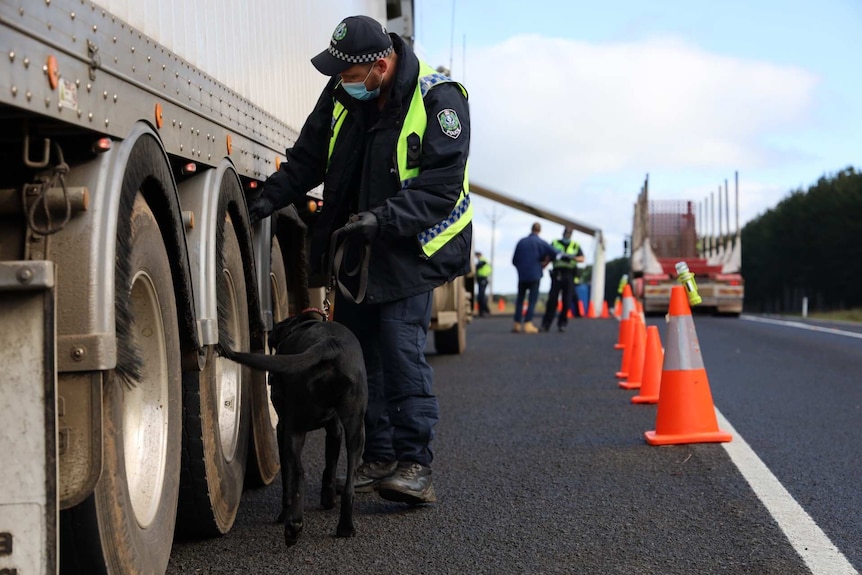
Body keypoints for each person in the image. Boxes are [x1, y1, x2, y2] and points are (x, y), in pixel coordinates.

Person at [246, 14, 472, 505]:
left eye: (350, 76)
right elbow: (308, 158)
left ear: (381, 65)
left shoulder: (439, 97)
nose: (344, 86)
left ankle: (415, 464)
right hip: (360, 246)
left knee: (399, 351)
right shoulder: (344, 92)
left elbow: (441, 185)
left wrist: (383, 219)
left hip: (412, 246)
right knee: (359, 355)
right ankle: (379, 456)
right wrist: (270, 196)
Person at [511, 222, 558, 333]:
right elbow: (554, 253)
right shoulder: (540, 242)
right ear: (539, 230)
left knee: (520, 299)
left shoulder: (521, 242)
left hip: (522, 275)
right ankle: (528, 323)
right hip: (535, 274)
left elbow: (514, 260)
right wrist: (545, 263)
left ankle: (516, 324)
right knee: (532, 300)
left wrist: (521, 268)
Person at [540, 227, 585, 332]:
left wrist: (571, 257)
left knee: (567, 301)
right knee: (552, 300)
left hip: (569, 274)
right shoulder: (555, 243)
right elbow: (548, 256)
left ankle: (562, 323)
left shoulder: (575, 245)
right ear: (563, 233)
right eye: (566, 233)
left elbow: (582, 258)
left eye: (569, 234)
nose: (567, 235)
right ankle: (546, 324)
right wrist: (544, 265)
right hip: (557, 273)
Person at [474, 251, 492, 316]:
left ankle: (485, 310)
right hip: (482, 279)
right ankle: (483, 311)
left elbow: (477, 267)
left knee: (481, 296)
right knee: (481, 296)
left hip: (483, 279)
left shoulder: (482, 260)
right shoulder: (482, 261)